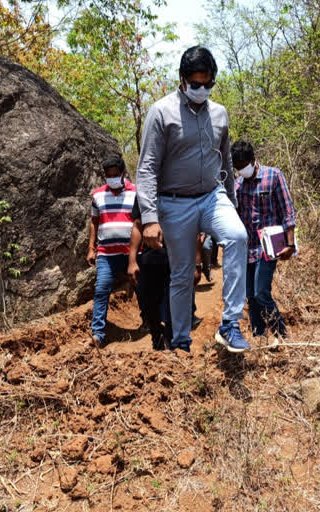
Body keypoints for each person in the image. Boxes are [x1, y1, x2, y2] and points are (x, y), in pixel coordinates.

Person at [136, 46, 250, 353]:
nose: (202, 89)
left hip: (213, 195)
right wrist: (149, 218)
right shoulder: (161, 112)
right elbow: (146, 167)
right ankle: (181, 342)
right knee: (183, 275)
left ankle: (230, 323)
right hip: (174, 203)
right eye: (195, 84)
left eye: (208, 84)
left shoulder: (220, 113)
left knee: (238, 236)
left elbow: (225, 161)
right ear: (182, 79)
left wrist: (233, 204)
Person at [233, 141, 296, 338]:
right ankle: (258, 337)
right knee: (251, 296)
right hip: (247, 248)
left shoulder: (274, 176)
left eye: (243, 165)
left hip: (269, 246)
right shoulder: (237, 185)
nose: (241, 170)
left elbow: (287, 211)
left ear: (253, 160)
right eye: (237, 167)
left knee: (261, 292)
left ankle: (281, 334)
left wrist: (290, 243)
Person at [128, 201, 203, 351]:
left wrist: (197, 264)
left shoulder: (183, 189)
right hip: (151, 258)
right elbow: (137, 225)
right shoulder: (145, 194)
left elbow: (195, 231)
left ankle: (171, 344)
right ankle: (156, 340)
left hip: (179, 260)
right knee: (149, 303)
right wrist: (132, 261)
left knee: (173, 305)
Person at [88, 154, 137, 347]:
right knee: (101, 290)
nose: (112, 178)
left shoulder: (136, 193)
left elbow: (141, 221)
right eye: (108, 175)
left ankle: (150, 324)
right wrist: (91, 248)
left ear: (124, 173)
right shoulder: (97, 195)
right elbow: (94, 221)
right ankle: (98, 333)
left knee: (144, 288)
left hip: (132, 253)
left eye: (115, 174)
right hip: (107, 254)